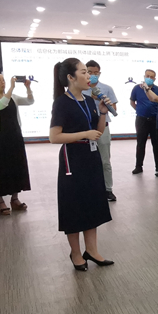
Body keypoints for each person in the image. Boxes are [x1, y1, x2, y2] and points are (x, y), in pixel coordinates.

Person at [49, 58, 114, 271]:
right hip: (73, 159)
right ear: (71, 77)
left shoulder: (88, 100)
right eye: (84, 72)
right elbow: (54, 137)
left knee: (92, 202)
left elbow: (98, 131)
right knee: (74, 206)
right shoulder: (62, 102)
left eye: (90, 72)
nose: (89, 76)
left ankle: (92, 250)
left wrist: (102, 112)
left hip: (91, 156)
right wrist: (84, 134)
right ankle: (76, 253)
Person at [0, 72, 34, 215]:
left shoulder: (13, 97)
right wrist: (11, 88)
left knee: (17, 166)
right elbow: (1, 105)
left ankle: (15, 199)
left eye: (3, 80)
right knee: (0, 168)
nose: (2, 82)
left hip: (15, 136)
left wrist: (28, 88)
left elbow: (30, 101)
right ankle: (0, 201)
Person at [83, 60, 118, 201]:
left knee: (105, 161)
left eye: (95, 73)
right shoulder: (80, 89)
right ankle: (89, 189)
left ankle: (108, 189)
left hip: (103, 127)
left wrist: (102, 101)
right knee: (86, 161)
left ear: (99, 73)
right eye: (89, 72)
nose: (92, 75)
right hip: (85, 129)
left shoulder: (106, 88)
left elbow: (114, 108)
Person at [130, 69, 158, 175]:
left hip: (155, 119)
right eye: (147, 76)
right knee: (140, 143)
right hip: (141, 119)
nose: (149, 78)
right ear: (144, 77)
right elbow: (132, 102)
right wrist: (139, 110)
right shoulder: (136, 88)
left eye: (151, 77)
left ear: (154, 79)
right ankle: (138, 166)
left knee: (156, 143)